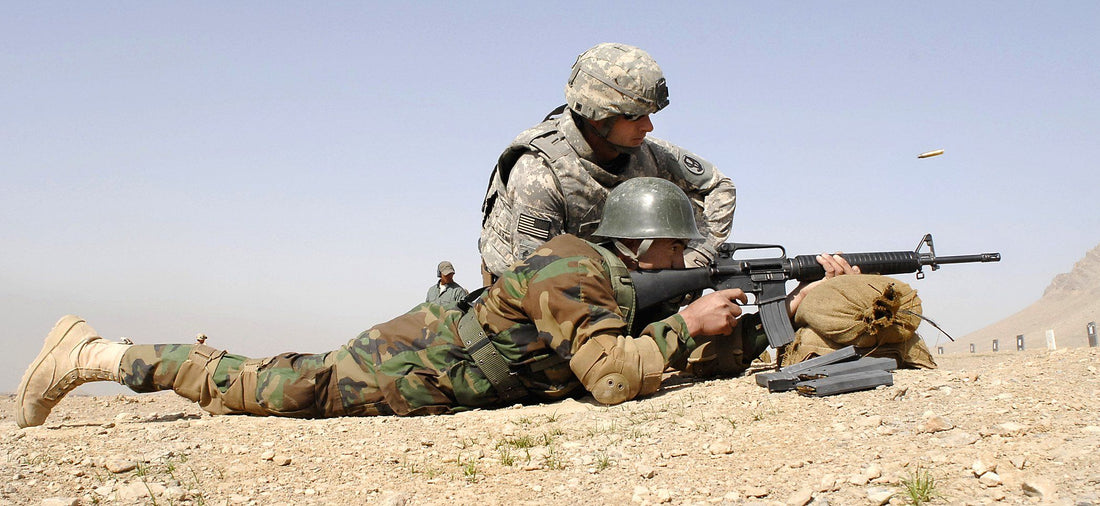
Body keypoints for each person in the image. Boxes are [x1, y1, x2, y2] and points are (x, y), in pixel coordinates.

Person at [15, 178, 855, 428]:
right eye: (678, 250)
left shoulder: (612, 282)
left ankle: (103, 355)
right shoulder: (572, 264)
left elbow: (646, 352)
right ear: (641, 246)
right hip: (413, 367)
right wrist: (684, 323)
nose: (688, 263)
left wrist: (800, 298)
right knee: (272, 387)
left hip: (459, 365)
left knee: (277, 382)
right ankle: (99, 356)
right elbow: (610, 381)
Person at [479, 42, 737, 284]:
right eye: (634, 116)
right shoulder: (540, 172)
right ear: (598, 116)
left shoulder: (645, 152)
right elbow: (536, 281)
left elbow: (718, 187)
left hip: (610, 284)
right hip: (525, 303)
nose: (648, 126)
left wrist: (695, 259)